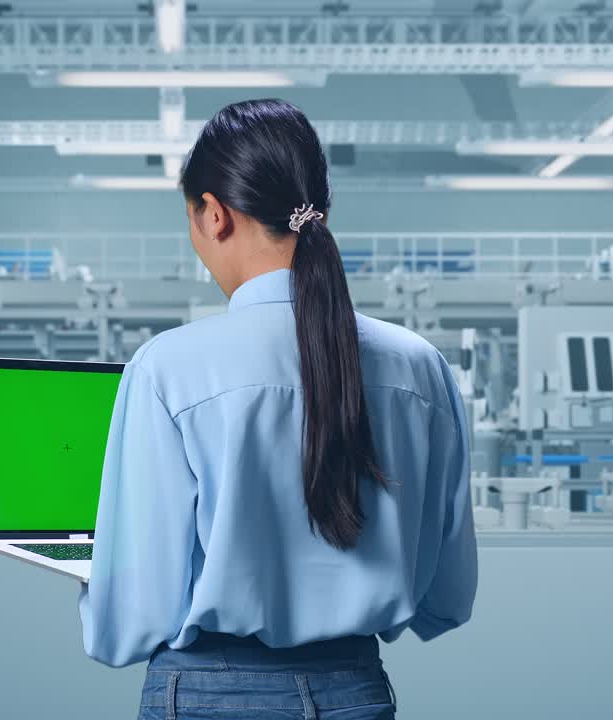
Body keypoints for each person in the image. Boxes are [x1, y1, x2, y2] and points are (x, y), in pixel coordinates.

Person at [78, 99, 477, 720]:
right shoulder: (420, 367)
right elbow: (446, 600)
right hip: (356, 691)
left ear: (213, 215)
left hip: (209, 696)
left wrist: (101, 581)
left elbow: (127, 625)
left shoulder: (167, 369)